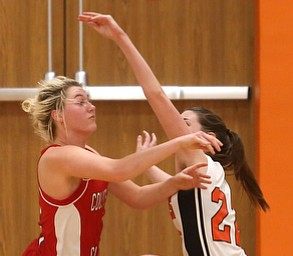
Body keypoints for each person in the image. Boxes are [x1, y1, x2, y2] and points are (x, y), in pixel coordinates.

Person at [78, 12, 269, 256]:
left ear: (206, 137)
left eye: (185, 122)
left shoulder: (199, 160)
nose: (178, 127)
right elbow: (165, 186)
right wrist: (144, 160)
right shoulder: (195, 177)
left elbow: (155, 94)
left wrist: (120, 36)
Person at [21, 75, 222, 256]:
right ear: (57, 115)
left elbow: (138, 197)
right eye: (81, 102)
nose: (91, 107)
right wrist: (180, 142)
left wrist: (175, 183)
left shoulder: (89, 154)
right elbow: (118, 170)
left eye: (89, 100)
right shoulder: (58, 157)